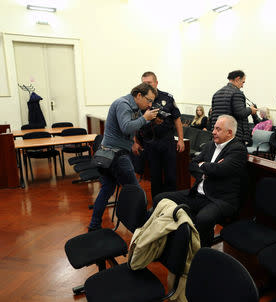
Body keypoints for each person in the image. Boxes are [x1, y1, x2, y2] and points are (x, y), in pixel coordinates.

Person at [152, 115, 248, 247]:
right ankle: (171, 241)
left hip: (219, 198)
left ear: (229, 132)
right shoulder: (210, 145)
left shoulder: (238, 149)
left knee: (203, 219)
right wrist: (208, 169)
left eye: (218, 129)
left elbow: (221, 169)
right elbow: (192, 165)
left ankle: (203, 254)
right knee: (161, 198)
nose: (213, 132)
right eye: (214, 128)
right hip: (198, 193)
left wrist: (203, 166)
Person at [88, 83, 159, 231]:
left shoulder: (134, 107)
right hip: (116, 156)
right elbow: (126, 127)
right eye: (149, 100)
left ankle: (94, 225)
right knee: (137, 192)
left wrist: (151, 119)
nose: (150, 104)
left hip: (111, 154)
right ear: (138, 95)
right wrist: (145, 118)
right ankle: (143, 228)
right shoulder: (123, 104)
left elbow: (136, 126)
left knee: (106, 190)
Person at [134, 71, 185, 199]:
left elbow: (177, 119)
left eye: (149, 83)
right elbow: (133, 122)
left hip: (167, 141)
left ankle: (172, 203)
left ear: (156, 83)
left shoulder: (167, 97)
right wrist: (135, 141)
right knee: (155, 176)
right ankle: (157, 204)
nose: (146, 86)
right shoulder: (139, 100)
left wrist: (180, 139)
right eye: (144, 84)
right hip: (150, 142)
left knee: (171, 176)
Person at [210, 70, 257, 144]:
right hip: (232, 134)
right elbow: (240, 113)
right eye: (243, 82)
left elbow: (213, 115)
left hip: (218, 133)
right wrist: (250, 110)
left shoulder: (217, 93)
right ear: (237, 79)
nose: (242, 85)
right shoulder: (237, 93)